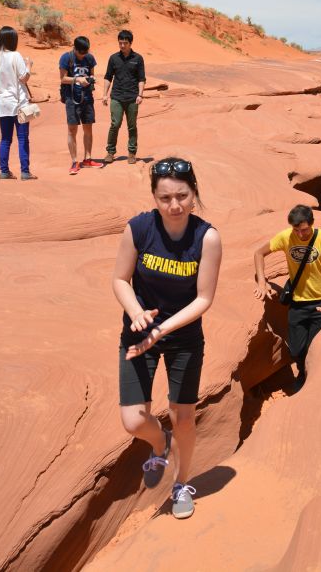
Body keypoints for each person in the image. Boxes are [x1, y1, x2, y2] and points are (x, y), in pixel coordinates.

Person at [113, 157, 221, 519]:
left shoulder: (207, 237)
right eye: (165, 198)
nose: (174, 205)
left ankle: (181, 485)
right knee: (133, 421)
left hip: (183, 339)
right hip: (139, 332)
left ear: (194, 194)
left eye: (182, 196)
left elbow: (204, 298)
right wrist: (136, 313)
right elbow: (119, 280)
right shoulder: (139, 229)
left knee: (184, 418)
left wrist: (161, 329)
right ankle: (159, 444)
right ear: (154, 197)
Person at [253, 205, 321, 391]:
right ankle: (302, 372)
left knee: (315, 349)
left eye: (304, 229)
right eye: (296, 230)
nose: (300, 234)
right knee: (296, 349)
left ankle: (310, 383)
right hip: (297, 303)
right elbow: (258, 253)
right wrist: (262, 282)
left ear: (311, 224)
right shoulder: (286, 237)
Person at [0, 26, 37, 180]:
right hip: (19, 103)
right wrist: (29, 65)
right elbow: (24, 78)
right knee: (23, 137)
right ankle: (25, 171)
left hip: (2, 104)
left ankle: (4, 171)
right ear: (11, 39)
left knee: (5, 139)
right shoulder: (15, 56)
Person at [59, 36, 104, 175]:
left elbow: (91, 75)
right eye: (81, 53)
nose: (83, 55)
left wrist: (91, 80)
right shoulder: (66, 58)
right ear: (75, 48)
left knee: (88, 128)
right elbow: (63, 79)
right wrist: (77, 79)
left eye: (86, 52)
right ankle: (74, 161)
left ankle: (88, 159)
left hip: (87, 98)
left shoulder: (89, 58)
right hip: (71, 99)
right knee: (72, 129)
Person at [102, 30, 146, 164]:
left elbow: (141, 78)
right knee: (115, 124)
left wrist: (140, 94)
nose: (122, 46)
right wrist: (104, 94)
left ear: (130, 43)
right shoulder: (113, 58)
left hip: (132, 97)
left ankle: (132, 153)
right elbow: (108, 77)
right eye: (120, 43)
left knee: (132, 126)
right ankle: (110, 152)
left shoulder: (138, 59)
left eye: (125, 43)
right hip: (117, 97)